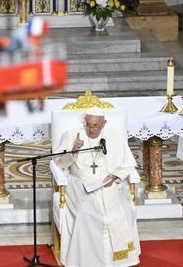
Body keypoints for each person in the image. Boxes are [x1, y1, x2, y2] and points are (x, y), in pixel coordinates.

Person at [53, 106, 140, 267]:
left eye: (95, 126)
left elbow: (128, 163)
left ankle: (117, 260)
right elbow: (59, 162)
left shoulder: (115, 135)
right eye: (88, 125)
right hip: (79, 185)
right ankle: (86, 261)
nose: (91, 130)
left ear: (103, 123)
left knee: (118, 212)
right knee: (86, 214)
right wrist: (73, 150)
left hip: (109, 185)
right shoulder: (72, 134)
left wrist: (114, 176)